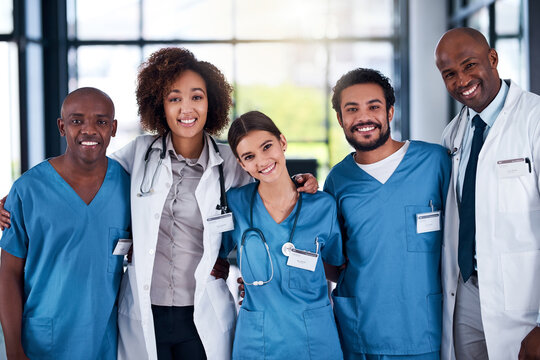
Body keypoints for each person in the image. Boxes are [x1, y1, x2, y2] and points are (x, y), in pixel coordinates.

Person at [324, 68, 451, 360]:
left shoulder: (435, 162)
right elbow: (333, 263)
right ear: (341, 119)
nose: (363, 117)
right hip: (361, 332)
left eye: (374, 106)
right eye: (352, 109)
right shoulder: (338, 180)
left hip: (425, 329)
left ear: (390, 112)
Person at [0, 87, 131, 359]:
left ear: (114, 128)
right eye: (77, 121)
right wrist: (13, 349)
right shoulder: (29, 190)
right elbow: (8, 275)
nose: (89, 130)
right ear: (61, 126)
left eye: (101, 121)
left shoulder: (129, 188)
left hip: (105, 344)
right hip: (41, 343)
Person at [435, 27, 540, 360]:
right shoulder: (452, 135)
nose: (462, 80)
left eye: (469, 65)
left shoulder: (535, 120)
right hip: (465, 295)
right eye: (449, 74)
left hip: (525, 302)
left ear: (493, 59)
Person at [220, 110, 344, 359]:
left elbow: (336, 267)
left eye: (267, 147)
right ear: (241, 164)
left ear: (282, 142)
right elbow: (213, 255)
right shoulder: (236, 203)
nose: (262, 160)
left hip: (315, 338)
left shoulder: (323, 206)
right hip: (257, 338)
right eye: (249, 156)